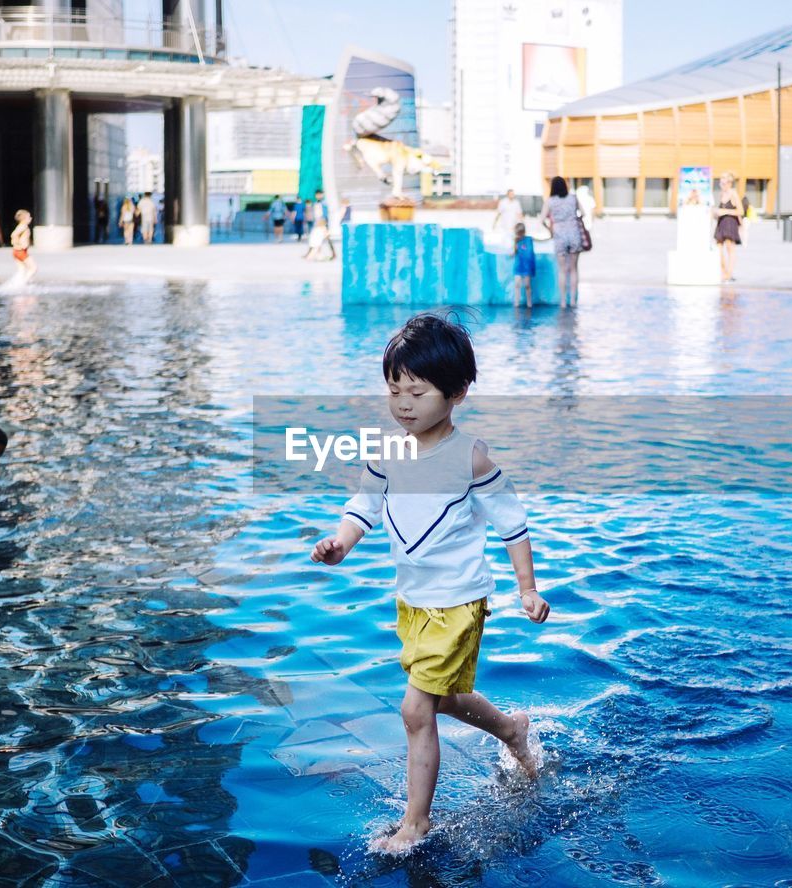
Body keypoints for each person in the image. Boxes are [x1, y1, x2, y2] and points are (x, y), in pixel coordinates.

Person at [310, 314, 549, 854]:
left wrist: (526, 589)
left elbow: (513, 525)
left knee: (416, 708)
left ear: (458, 392)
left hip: (459, 603)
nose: (403, 404)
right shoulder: (389, 452)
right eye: (394, 390)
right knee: (443, 699)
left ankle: (414, 825)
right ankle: (512, 730)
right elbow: (364, 506)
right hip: (414, 603)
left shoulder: (470, 459)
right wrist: (341, 543)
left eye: (416, 391)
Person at [541, 175, 584, 308]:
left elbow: (541, 219)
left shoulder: (550, 201)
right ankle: (572, 300)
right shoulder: (573, 198)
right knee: (574, 269)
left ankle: (563, 302)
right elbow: (583, 213)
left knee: (562, 270)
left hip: (559, 235)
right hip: (574, 234)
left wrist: (551, 229)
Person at [714, 172, 743, 283]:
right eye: (721, 182)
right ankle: (724, 271)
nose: (722, 185)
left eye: (724, 182)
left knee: (730, 248)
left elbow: (740, 211)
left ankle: (729, 274)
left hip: (730, 223)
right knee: (719, 248)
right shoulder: (722, 194)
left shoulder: (733, 194)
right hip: (721, 223)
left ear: (729, 183)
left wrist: (725, 211)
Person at [513, 222, 535, 307]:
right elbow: (515, 252)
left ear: (524, 232)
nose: (519, 235)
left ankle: (529, 302)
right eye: (518, 234)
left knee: (527, 285)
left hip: (527, 267)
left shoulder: (529, 239)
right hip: (518, 266)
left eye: (520, 233)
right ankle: (516, 302)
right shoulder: (516, 240)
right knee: (517, 284)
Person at [11, 209, 36, 283]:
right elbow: (14, 234)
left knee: (22, 270)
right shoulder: (23, 226)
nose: (31, 218)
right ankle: (24, 283)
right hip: (21, 251)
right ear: (24, 219)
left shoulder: (21, 226)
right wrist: (18, 244)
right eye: (29, 217)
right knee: (33, 268)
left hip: (16, 251)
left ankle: (16, 284)